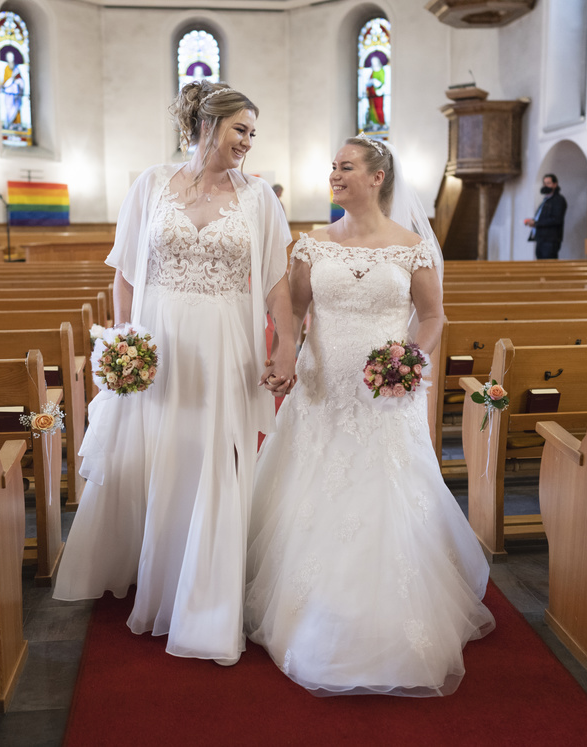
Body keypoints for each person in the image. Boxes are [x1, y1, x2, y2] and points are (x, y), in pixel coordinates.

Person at [52, 81, 293, 666]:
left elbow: (278, 283)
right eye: (241, 129)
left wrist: (285, 345)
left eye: (253, 133)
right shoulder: (151, 184)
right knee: (165, 452)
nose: (248, 142)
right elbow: (126, 275)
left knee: (215, 456)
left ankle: (207, 593)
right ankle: (158, 570)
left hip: (225, 344)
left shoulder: (260, 198)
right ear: (206, 126)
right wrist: (124, 338)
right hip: (161, 343)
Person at [244, 136, 495, 697]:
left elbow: (432, 317)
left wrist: (408, 357)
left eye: (347, 167)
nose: (335, 175)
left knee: (382, 494)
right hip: (322, 388)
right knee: (309, 488)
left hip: (384, 392)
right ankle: (304, 603)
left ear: (378, 177)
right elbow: (299, 310)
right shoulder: (311, 246)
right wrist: (285, 351)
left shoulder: (411, 247)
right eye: (332, 167)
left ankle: (377, 615)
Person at [523, 173, 566, 260]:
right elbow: (543, 217)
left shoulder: (558, 200)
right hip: (541, 238)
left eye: (548, 183)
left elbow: (556, 220)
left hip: (550, 240)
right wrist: (533, 221)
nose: (545, 185)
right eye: (544, 183)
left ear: (555, 184)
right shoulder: (546, 200)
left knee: (548, 266)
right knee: (540, 265)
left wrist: (536, 223)